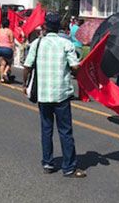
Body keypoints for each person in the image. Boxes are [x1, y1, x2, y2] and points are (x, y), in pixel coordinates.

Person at [23, 12, 86, 179]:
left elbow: (27, 66)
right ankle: (69, 168)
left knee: (46, 129)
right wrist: (81, 64)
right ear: (60, 27)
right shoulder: (66, 44)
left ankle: (48, 163)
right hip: (61, 93)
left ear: (45, 27)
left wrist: (24, 84)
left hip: (43, 94)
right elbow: (74, 67)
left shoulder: (37, 43)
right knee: (65, 131)